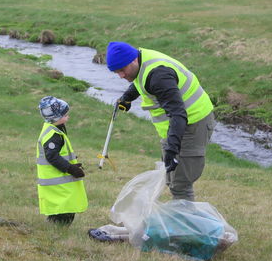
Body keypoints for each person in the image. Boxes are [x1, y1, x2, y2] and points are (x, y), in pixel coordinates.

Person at [106, 41, 216, 200]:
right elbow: (142, 80)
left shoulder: (159, 76)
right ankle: (181, 212)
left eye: (122, 70)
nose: (121, 76)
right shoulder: (141, 61)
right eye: (117, 72)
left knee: (180, 184)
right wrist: (127, 97)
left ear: (133, 60)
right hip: (178, 124)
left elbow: (178, 113)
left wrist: (172, 148)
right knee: (171, 178)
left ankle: (186, 215)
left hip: (193, 122)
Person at [36, 96, 88, 226]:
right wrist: (71, 168)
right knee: (64, 211)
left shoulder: (53, 128)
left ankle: (55, 229)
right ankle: (57, 230)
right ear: (56, 118)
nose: (68, 116)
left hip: (60, 181)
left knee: (63, 209)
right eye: (65, 115)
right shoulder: (53, 135)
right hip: (58, 183)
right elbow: (52, 156)